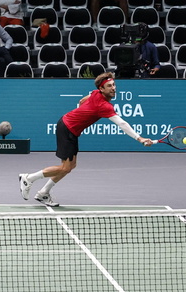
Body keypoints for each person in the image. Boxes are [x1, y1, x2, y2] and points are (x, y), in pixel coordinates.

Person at [18, 72, 154, 207]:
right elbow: (122, 124)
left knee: (70, 166)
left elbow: (85, 98)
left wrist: (84, 105)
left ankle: (43, 193)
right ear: (102, 89)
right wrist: (139, 138)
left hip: (70, 128)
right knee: (65, 167)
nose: (113, 88)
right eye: (109, 86)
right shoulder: (104, 106)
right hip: (67, 128)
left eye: (114, 85)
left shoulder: (97, 93)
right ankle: (28, 178)